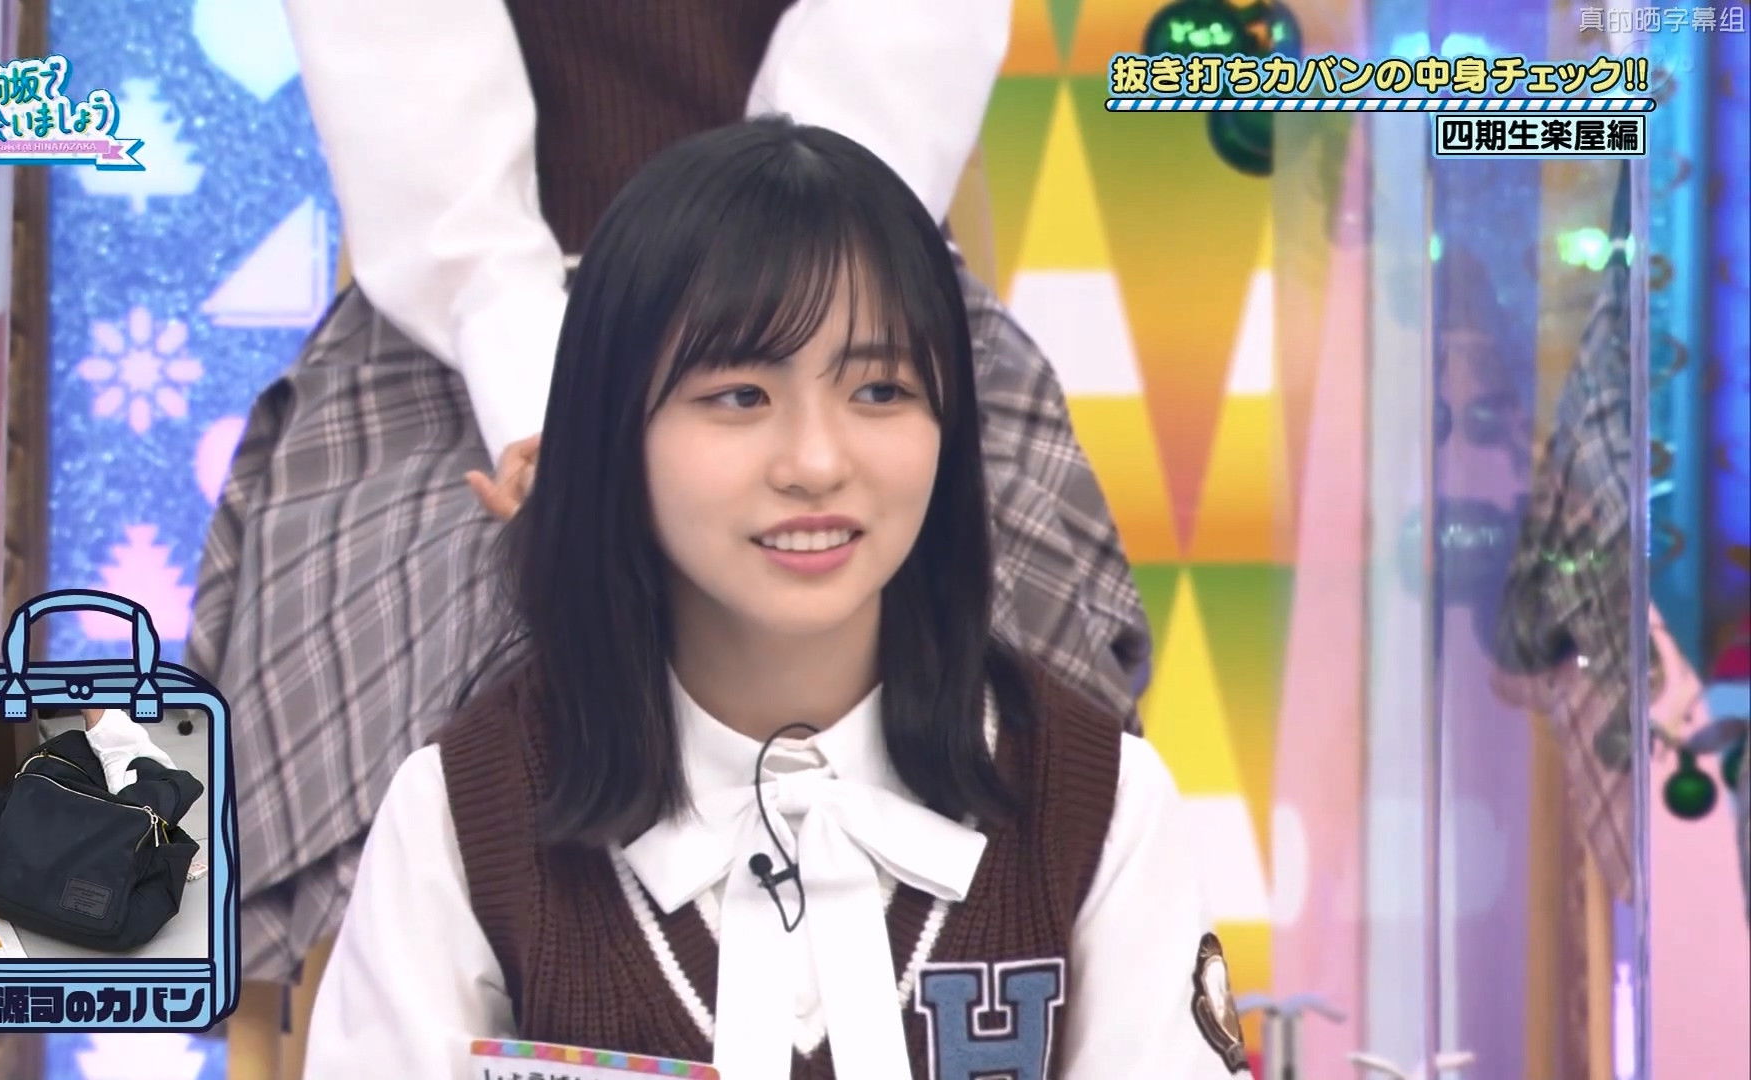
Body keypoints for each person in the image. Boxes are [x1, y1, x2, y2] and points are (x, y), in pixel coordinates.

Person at [188, 0, 1153, 1003]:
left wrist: (802, 303)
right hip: (481, 303)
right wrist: (563, 416)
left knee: (1004, 563)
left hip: (855, 262)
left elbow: (892, 62)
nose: (813, 467)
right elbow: (413, 115)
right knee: (441, 598)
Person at [301, 119, 1240, 1080]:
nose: (816, 463)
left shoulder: (1099, 804)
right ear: (612, 430)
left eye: (880, 391)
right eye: (741, 396)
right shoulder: (462, 817)